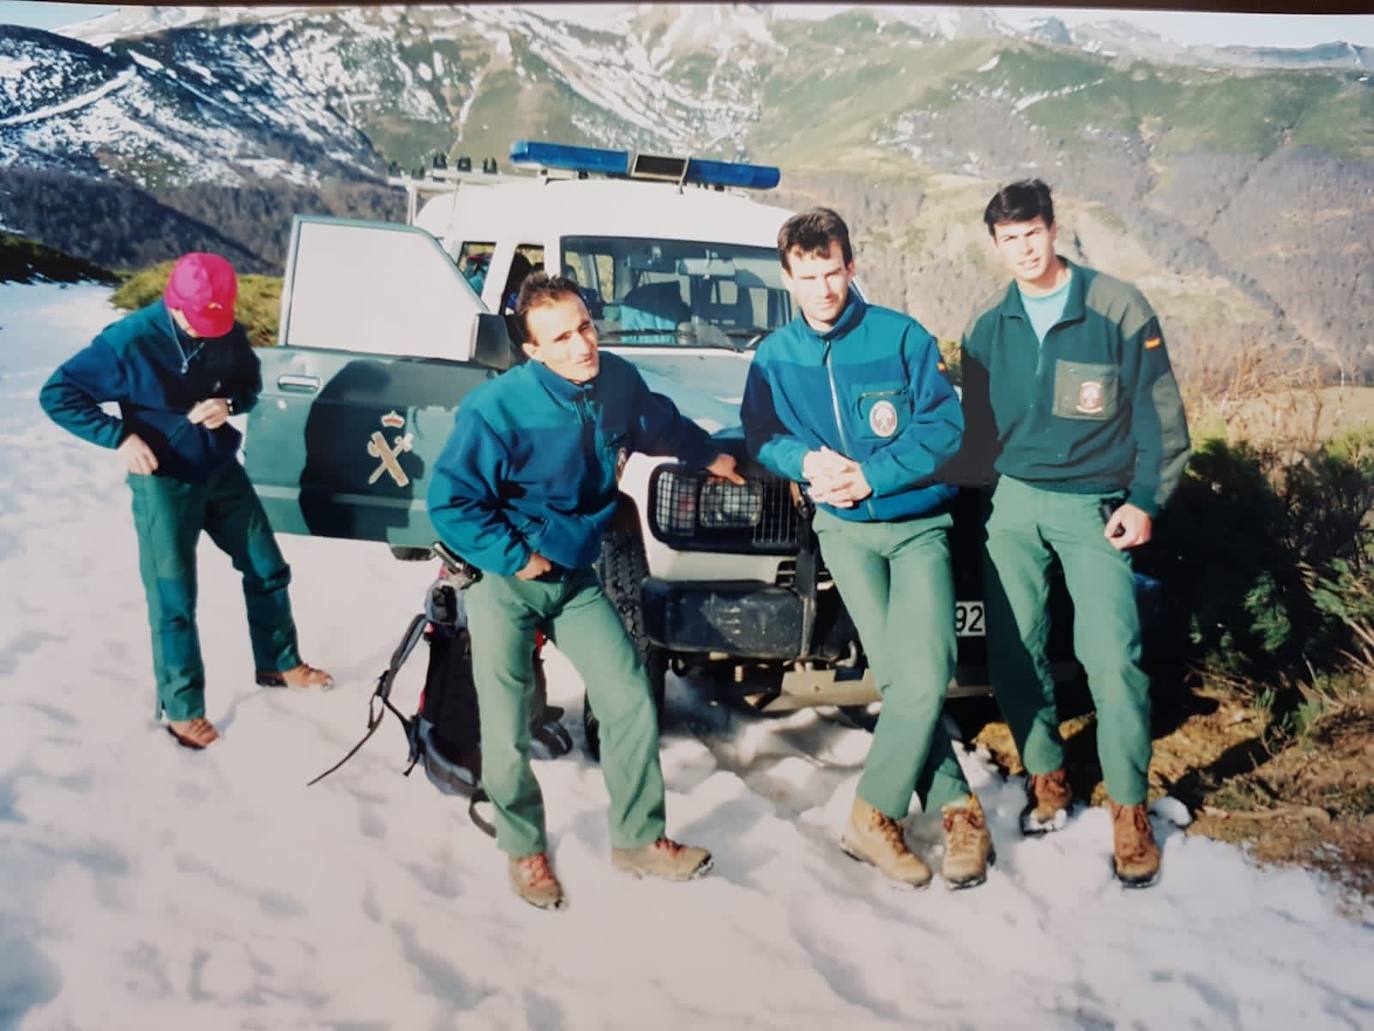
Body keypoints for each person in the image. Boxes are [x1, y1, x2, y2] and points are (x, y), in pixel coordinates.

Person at [427, 272, 744, 910]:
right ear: (532, 349)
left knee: (627, 698)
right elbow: (449, 503)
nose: (581, 346)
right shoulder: (496, 410)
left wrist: (708, 456)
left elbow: (661, 422)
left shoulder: (616, 382)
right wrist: (516, 557)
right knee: (507, 718)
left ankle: (638, 839)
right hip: (506, 582)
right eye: (561, 338)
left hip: (574, 579)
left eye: (585, 327)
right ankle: (524, 849)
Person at [740, 208, 994, 891]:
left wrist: (872, 473)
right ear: (787, 277)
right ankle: (959, 808)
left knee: (928, 666)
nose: (823, 288)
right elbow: (759, 431)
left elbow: (946, 426)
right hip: (844, 533)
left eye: (833, 272)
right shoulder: (775, 356)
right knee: (901, 677)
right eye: (808, 276)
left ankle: (871, 813)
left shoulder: (902, 338)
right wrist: (805, 462)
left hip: (917, 526)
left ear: (851, 267)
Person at [959, 179, 1191, 887]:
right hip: (1016, 503)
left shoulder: (1117, 307)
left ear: (1053, 230)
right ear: (995, 244)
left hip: (1096, 503)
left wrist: (1148, 498)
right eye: (1009, 238)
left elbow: (1160, 416)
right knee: (1012, 648)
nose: (1023, 248)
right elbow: (973, 438)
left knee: (1111, 654)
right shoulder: (987, 327)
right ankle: (1047, 773)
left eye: (1033, 233)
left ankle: (1129, 806)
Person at [39, 252, 332, 750]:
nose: (206, 332)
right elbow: (58, 393)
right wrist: (118, 439)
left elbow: (248, 382)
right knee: (174, 599)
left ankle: (278, 663)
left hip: (219, 469)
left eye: (214, 323)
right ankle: (182, 709)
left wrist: (230, 404)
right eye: (196, 323)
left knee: (267, 567)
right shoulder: (126, 342)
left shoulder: (226, 330)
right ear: (173, 303)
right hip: (162, 481)